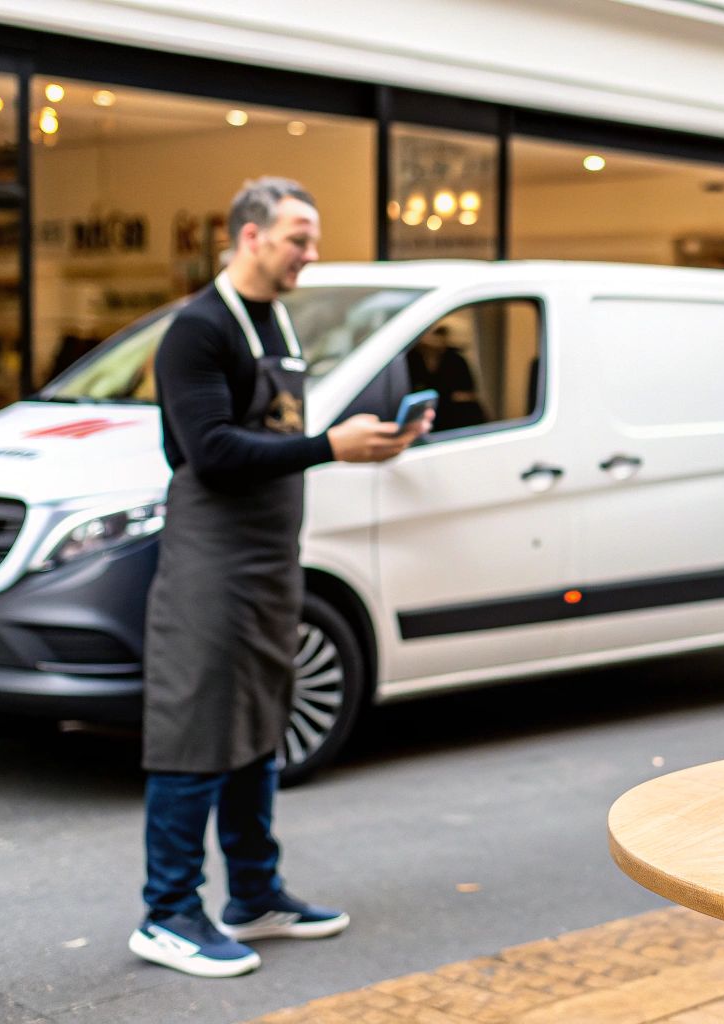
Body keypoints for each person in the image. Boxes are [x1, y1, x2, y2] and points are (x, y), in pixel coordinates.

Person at [129, 177, 431, 979]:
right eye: (299, 236)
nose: (312, 251)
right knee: (197, 729)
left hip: (266, 561)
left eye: (313, 236)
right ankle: (166, 914)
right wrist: (332, 447)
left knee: (258, 725)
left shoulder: (274, 320)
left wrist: (380, 441)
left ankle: (255, 895)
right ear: (250, 236)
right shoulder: (196, 330)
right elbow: (212, 452)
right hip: (209, 562)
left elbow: (276, 438)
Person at [405, 324, 487, 431]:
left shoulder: (455, 359)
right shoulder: (412, 359)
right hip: (426, 415)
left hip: (455, 416)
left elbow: (466, 394)